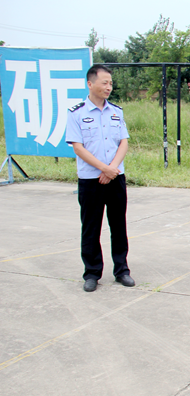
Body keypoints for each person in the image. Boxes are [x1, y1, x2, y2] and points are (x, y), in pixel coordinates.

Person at [66, 64, 134, 292]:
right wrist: (104, 169)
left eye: (111, 83)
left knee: (118, 225)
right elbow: (78, 147)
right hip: (90, 180)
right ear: (90, 83)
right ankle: (92, 273)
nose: (109, 87)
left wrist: (112, 169)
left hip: (116, 178)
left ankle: (122, 270)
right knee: (91, 228)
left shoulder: (117, 111)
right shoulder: (76, 113)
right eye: (104, 82)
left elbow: (123, 142)